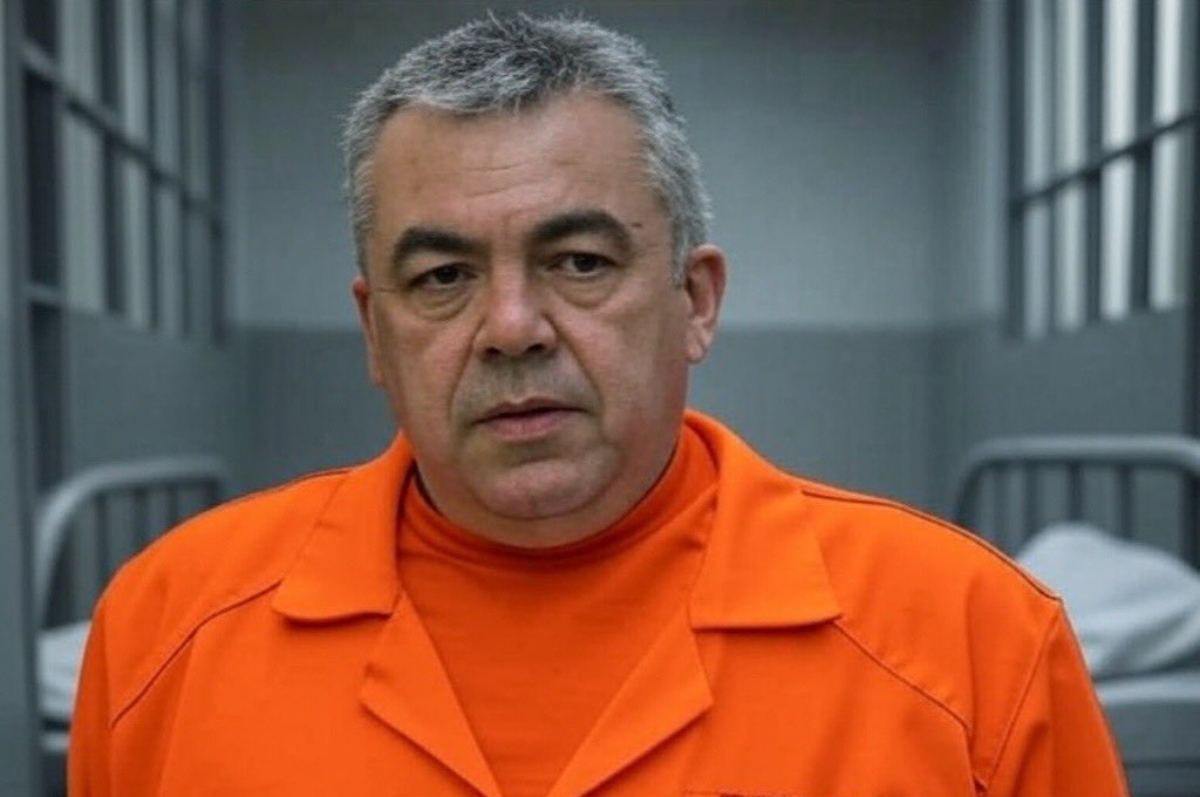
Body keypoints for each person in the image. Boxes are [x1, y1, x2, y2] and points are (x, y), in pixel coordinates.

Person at [69, 14, 1128, 797]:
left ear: (695, 301)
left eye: (579, 261)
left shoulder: (972, 643)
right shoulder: (168, 632)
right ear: (375, 332)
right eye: (442, 277)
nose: (511, 325)